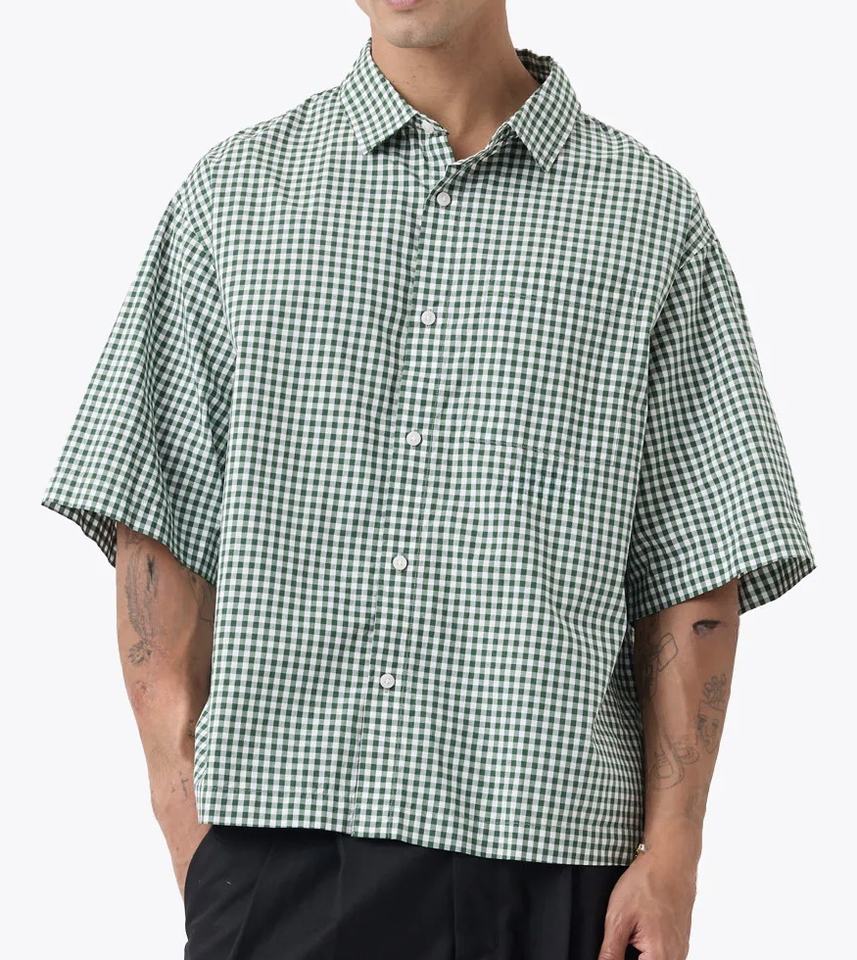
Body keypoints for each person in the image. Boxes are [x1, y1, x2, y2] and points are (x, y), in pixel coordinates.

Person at [40, 1, 816, 958]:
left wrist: (675, 856)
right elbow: (156, 520)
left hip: (548, 862)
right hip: (279, 851)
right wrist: (187, 824)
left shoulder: (647, 218)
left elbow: (696, 564)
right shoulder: (235, 197)